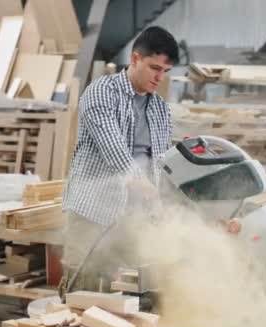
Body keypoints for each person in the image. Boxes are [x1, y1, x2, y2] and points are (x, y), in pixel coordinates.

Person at [60, 26, 179, 294]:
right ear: (135, 59)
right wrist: (144, 185)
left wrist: (171, 202)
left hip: (134, 218)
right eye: (154, 68)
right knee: (83, 290)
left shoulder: (160, 109)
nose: (159, 77)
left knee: (132, 294)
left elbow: (162, 163)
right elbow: (115, 153)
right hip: (93, 213)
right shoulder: (101, 92)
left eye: (165, 71)